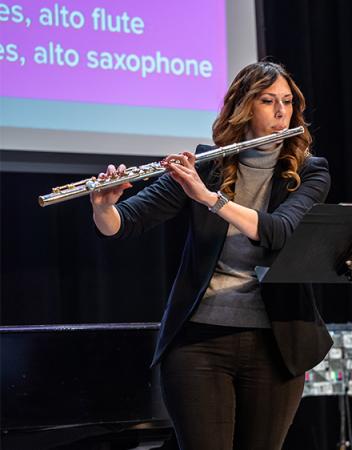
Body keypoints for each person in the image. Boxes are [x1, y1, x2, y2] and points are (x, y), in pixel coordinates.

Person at [91, 61, 332, 450]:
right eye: (268, 101)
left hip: (276, 342)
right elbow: (126, 222)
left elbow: (278, 231)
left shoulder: (309, 172)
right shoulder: (207, 165)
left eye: (287, 102)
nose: (281, 112)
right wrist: (104, 207)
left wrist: (207, 198)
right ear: (244, 107)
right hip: (199, 341)